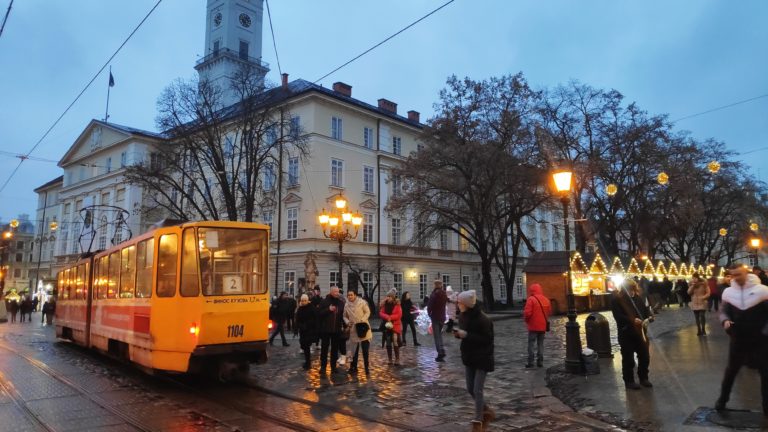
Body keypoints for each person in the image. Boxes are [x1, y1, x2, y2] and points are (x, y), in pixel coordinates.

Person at [715, 264, 768, 416]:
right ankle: (722, 400)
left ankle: (767, 405)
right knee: (731, 371)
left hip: (761, 340)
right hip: (738, 338)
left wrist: (765, 332)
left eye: (739, 274)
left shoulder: (763, 291)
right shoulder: (728, 292)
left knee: (766, 374)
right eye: (733, 275)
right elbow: (723, 311)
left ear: (746, 273)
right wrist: (725, 321)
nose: (736, 278)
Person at [453, 290, 495, 432]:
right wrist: (459, 335)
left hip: (482, 357)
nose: (458, 305)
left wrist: (467, 335)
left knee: (477, 389)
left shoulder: (484, 319)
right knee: (470, 388)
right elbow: (467, 335)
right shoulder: (463, 317)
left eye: (459, 303)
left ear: (466, 304)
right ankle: (486, 410)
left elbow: (487, 340)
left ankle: (478, 420)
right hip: (469, 356)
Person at [611, 279, 654, 390]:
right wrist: (632, 320)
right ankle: (629, 381)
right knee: (628, 358)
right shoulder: (617, 300)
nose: (631, 292)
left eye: (632, 289)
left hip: (640, 333)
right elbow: (618, 317)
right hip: (626, 333)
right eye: (629, 290)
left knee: (644, 356)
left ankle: (644, 378)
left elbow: (645, 311)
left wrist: (649, 317)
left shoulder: (638, 298)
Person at [343, 289, 372, 376]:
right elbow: (344, 316)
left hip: (363, 328)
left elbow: (368, 312)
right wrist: (347, 322)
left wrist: (362, 320)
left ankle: (366, 368)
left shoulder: (362, 302)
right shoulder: (346, 305)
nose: (350, 297)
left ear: (355, 295)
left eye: (351, 295)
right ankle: (353, 367)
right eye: (348, 295)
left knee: (365, 351)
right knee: (353, 351)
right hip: (353, 330)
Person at [317, 286, 345, 375]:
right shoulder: (324, 301)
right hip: (325, 330)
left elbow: (343, 316)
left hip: (336, 330)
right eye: (335, 292)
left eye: (338, 292)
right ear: (331, 292)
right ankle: (323, 367)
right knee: (324, 349)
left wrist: (345, 325)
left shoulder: (341, 303)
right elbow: (319, 314)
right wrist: (328, 310)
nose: (337, 293)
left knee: (335, 350)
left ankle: (333, 367)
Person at [523, 283, 551, 368]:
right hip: (542, 326)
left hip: (533, 326)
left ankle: (531, 362)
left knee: (531, 344)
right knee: (540, 344)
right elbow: (549, 312)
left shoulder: (531, 299)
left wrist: (527, 321)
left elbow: (527, 313)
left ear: (532, 291)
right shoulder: (546, 299)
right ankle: (540, 362)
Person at [379, 289, 403, 365]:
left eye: (390, 296)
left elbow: (399, 315)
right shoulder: (385, 304)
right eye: (387, 296)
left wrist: (391, 317)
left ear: (393, 297)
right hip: (387, 325)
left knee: (395, 341)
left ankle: (397, 359)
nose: (388, 297)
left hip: (395, 325)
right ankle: (390, 359)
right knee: (388, 342)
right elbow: (381, 313)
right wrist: (387, 317)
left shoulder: (397, 304)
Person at [294, 294, 317, 369]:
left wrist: (307, 325)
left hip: (309, 331)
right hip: (302, 330)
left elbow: (315, 319)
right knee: (303, 345)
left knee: (306, 347)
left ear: (307, 301)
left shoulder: (312, 308)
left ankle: (308, 363)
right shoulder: (300, 308)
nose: (303, 302)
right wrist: (297, 328)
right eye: (302, 300)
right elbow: (297, 319)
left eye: (305, 300)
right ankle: (307, 362)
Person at [427, 280, 448, 362]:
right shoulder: (444, 293)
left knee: (437, 335)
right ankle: (442, 349)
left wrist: (429, 313)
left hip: (435, 317)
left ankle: (440, 352)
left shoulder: (434, 294)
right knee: (440, 334)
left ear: (435, 285)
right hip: (442, 317)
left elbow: (430, 305)